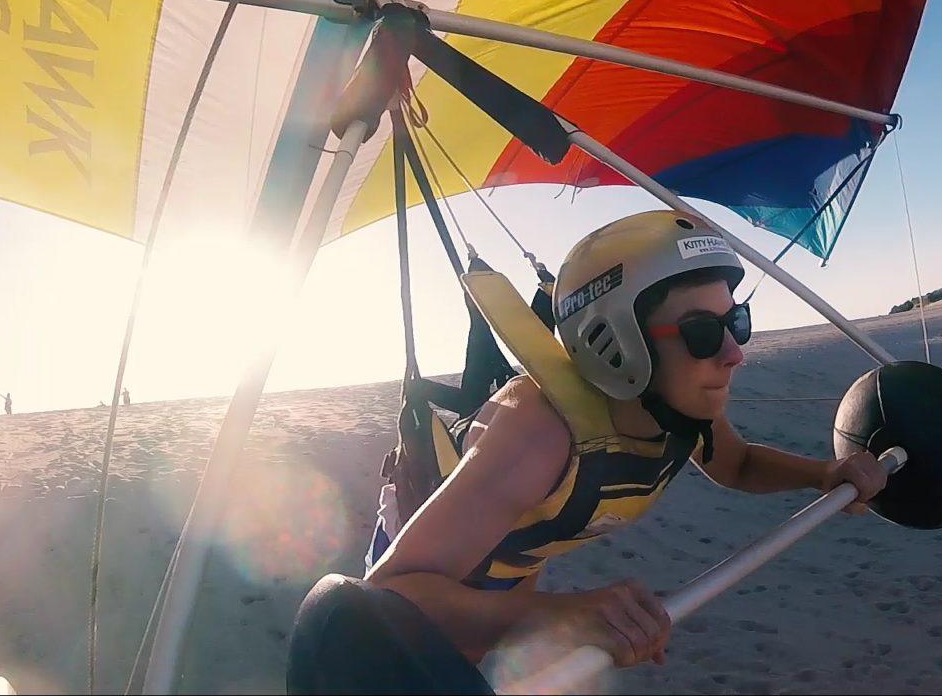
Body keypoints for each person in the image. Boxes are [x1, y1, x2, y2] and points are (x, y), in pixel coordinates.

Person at [362, 209, 888, 671]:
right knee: (432, 664)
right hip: (435, 569)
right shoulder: (541, 433)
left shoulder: (681, 412)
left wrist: (822, 475)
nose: (734, 354)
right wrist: (561, 616)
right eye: (703, 332)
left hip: (518, 556)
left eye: (737, 323)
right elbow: (388, 599)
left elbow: (739, 464)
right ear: (617, 340)